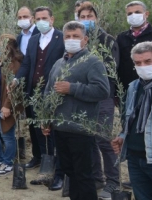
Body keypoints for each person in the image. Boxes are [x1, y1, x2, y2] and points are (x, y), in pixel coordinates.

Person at [42, 21, 110, 200]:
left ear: (85, 39)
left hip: (80, 129)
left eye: (76, 36)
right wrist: (46, 119)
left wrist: (72, 88)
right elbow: (49, 91)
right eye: (68, 36)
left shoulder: (93, 62)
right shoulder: (58, 63)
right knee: (70, 173)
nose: (71, 40)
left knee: (84, 175)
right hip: (60, 128)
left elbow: (103, 90)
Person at [112, 42, 152, 200]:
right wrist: (123, 136)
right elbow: (131, 119)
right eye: (138, 63)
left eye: (147, 61)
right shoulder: (133, 87)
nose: (142, 66)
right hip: (135, 159)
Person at [12, 6, 65, 190]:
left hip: (54, 94)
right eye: (39, 18)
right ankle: (45, 168)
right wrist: (17, 80)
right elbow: (27, 64)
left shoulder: (62, 39)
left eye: (45, 17)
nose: (42, 21)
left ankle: (58, 172)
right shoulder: (34, 40)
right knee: (38, 131)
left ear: (52, 19)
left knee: (53, 132)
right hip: (33, 93)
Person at [77, 1, 121, 197]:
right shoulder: (78, 40)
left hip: (103, 96)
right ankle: (96, 178)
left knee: (103, 139)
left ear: (96, 18)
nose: (87, 20)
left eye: (90, 17)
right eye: (83, 17)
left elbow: (111, 69)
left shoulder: (108, 40)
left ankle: (113, 181)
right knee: (89, 138)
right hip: (83, 97)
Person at [117, 1, 152, 97]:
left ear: (146, 14)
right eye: (130, 13)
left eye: (137, 12)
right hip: (128, 91)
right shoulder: (121, 38)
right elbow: (118, 65)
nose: (133, 15)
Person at [0, 34, 23, 176]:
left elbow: (13, 88)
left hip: (3, 104)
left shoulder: (14, 64)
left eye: (0, 44)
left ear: (8, 46)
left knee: (7, 134)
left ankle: (8, 163)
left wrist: (7, 105)